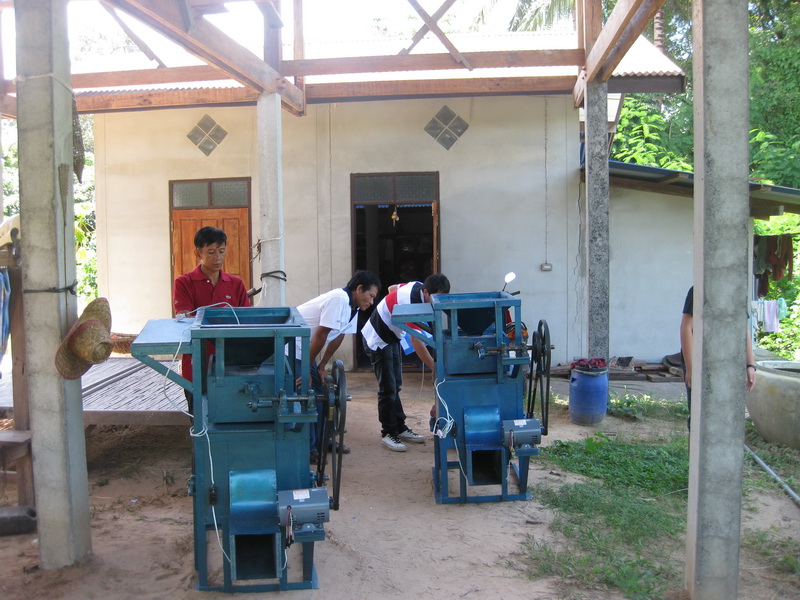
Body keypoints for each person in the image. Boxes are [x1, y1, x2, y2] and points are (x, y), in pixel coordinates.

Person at [295, 271, 381, 461]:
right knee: (310, 395)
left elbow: (339, 336)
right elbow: (321, 335)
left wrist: (322, 366)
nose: (372, 302)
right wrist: (306, 369)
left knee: (327, 394)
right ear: (359, 289)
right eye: (371, 296)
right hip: (293, 349)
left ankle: (325, 440)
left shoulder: (353, 308)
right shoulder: (339, 299)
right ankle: (310, 449)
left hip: (307, 350)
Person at [361, 273, 450, 452]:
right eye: (434, 297)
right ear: (425, 292)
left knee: (396, 385)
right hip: (378, 339)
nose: (436, 301)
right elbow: (417, 342)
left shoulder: (417, 285)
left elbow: (391, 289)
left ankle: (400, 427)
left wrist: (393, 307)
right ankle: (388, 432)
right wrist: (435, 366)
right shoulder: (412, 304)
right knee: (388, 388)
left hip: (392, 337)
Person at [173, 226, 250, 417]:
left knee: (231, 416)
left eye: (221, 251)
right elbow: (185, 317)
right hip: (197, 363)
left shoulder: (236, 284)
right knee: (199, 420)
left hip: (232, 364)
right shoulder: (184, 282)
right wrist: (220, 315)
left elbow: (247, 321)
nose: (217, 257)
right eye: (211, 252)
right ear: (197, 252)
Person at [679, 285, 757, 430]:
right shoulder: (699, 289)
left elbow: (743, 328)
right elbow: (686, 327)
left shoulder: (737, 288)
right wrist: (691, 368)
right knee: (699, 413)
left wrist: (750, 365)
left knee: (726, 413)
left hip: (729, 360)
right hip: (701, 359)